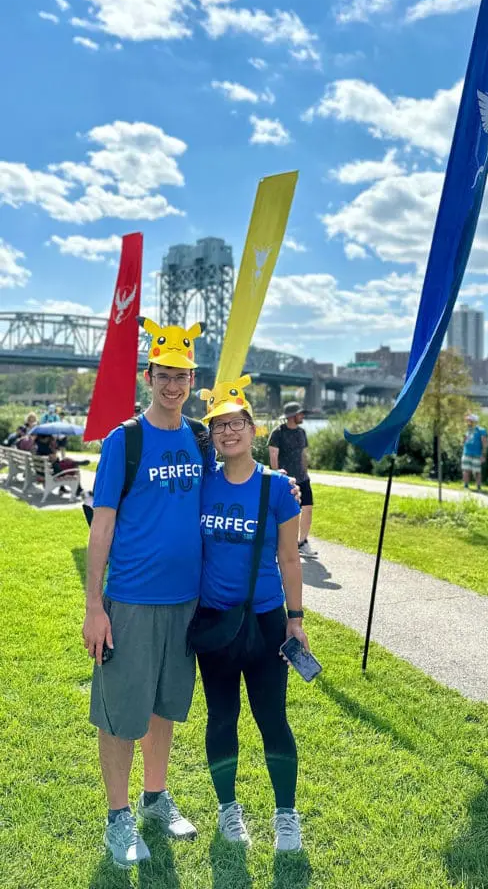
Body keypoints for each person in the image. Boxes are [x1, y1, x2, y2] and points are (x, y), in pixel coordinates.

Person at [82, 317, 208, 869]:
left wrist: (283, 488)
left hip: (186, 604)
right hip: (130, 602)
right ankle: (118, 816)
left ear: (191, 377)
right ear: (147, 375)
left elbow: (238, 484)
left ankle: (155, 798)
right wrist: (94, 607)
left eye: (181, 375)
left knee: (164, 708)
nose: (173, 385)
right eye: (164, 374)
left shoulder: (200, 437)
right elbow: (101, 526)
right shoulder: (123, 441)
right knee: (120, 715)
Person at [197, 377, 308, 852]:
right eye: (219, 426)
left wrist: (296, 618)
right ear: (213, 435)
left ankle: (286, 815)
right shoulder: (201, 485)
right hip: (215, 623)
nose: (228, 433)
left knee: (272, 718)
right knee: (222, 718)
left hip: (265, 621)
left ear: (253, 428)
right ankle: (228, 811)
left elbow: (289, 557)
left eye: (236, 424)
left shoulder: (277, 487)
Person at [268, 402, 314, 554]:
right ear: (292, 416)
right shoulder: (278, 432)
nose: (303, 416)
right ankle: (277, 543)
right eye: (300, 413)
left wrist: (306, 473)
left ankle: (302, 542)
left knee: (308, 508)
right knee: (284, 513)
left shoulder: (302, 432)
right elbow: (273, 454)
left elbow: (303, 454)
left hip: (302, 478)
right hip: (286, 479)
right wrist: (276, 475)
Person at [461, 413, 488, 492]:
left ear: (474, 421)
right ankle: (466, 486)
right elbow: (463, 441)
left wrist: (483, 455)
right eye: (468, 420)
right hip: (466, 453)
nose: (468, 422)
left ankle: (478, 487)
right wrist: (463, 442)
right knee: (466, 470)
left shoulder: (481, 430)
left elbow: (484, 443)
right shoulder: (467, 430)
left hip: (477, 454)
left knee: (477, 471)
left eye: (470, 420)